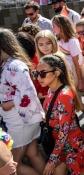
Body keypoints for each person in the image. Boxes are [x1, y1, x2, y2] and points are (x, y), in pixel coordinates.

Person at [36, 53, 84, 175]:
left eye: (43, 73)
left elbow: (64, 130)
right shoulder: (51, 89)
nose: (38, 77)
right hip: (61, 146)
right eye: (36, 73)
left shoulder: (64, 95)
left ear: (57, 73)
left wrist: (52, 159)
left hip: (72, 145)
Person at [0, 28, 45, 175]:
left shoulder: (14, 65)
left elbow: (28, 92)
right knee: (33, 155)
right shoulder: (7, 63)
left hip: (20, 120)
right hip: (21, 120)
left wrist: (7, 104)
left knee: (12, 164)